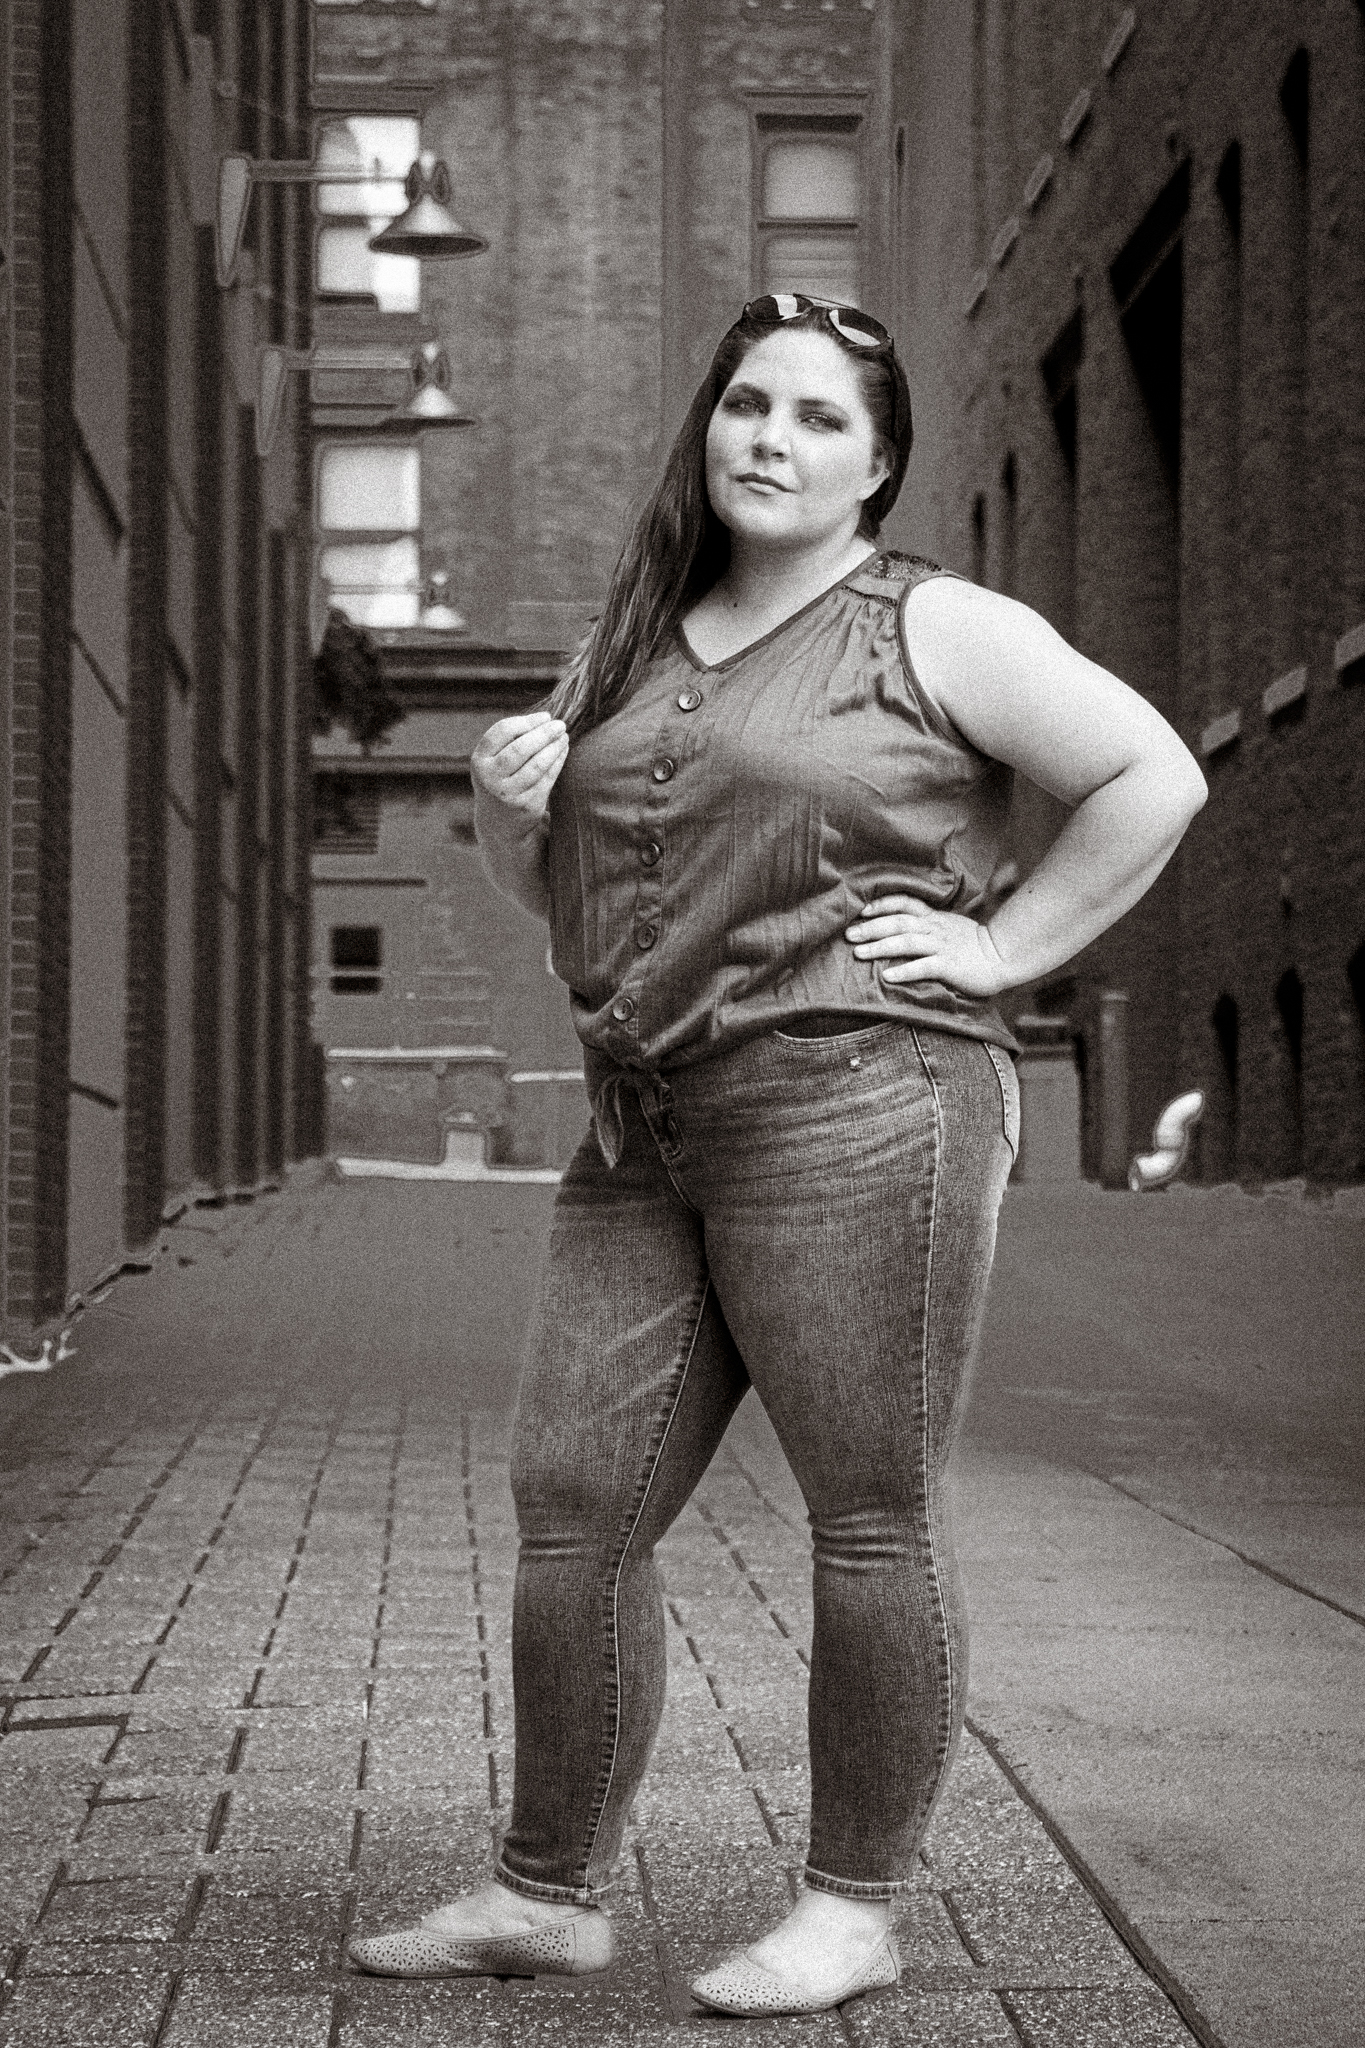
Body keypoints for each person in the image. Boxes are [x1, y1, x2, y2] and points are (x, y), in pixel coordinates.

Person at [347, 293, 1206, 2015]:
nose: (770, 439)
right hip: (642, 1121)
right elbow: (560, 901)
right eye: (748, 404)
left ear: (876, 467)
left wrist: (1000, 947)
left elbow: (1150, 775)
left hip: (859, 1102)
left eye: (820, 420)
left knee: (868, 1513)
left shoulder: (935, 624)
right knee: (574, 1508)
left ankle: (851, 1908)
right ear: (709, 425)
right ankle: (546, 1892)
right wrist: (511, 814)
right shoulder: (633, 637)